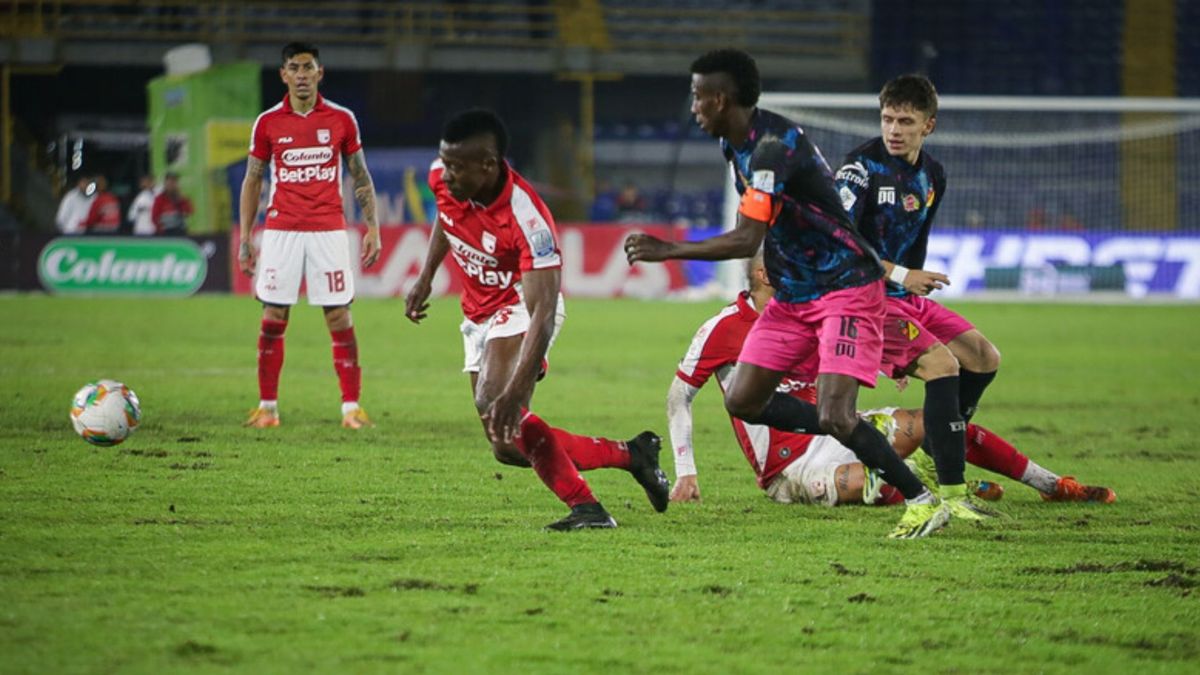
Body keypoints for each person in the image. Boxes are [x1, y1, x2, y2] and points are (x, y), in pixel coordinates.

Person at [624, 48, 947, 539]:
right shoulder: (736, 145)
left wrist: (667, 249)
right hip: (795, 294)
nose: (692, 107)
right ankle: (859, 433)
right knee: (743, 399)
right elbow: (749, 225)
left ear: (720, 99)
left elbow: (746, 239)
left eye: (696, 97)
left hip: (845, 287)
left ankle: (924, 501)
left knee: (836, 414)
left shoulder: (773, 147)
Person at [667, 254, 1116, 507]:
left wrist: (896, 363)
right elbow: (679, 398)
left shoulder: (811, 310)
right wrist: (686, 472)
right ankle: (938, 487)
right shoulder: (723, 328)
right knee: (869, 485)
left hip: (842, 425)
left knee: (943, 425)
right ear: (765, 274)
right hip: (791, 466)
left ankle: (1052, 486)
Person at [405, 109, 670, 530]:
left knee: (495, 403)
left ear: (488, 166)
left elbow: (543, 312)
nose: (445, 174)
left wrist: (514, 389)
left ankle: (589, 510)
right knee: (507, 447)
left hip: (520, 307)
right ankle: (632, 455)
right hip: (477, 313)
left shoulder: (528, 219)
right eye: (445, 162)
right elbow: (446, 215)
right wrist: (425, 276)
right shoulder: (444, 176)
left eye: (457, 167)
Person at [834, 75, 1004, 511]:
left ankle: (935, 448)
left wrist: (912, 293)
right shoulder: (859, 169)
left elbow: (915, 242)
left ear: (928, 126)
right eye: (888, 119)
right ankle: (951, 492)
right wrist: (903, 275)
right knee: (943, 364)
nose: (893, 130)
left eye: (905, 121)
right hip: (863, 296)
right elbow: (840, 241)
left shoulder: (933, 175)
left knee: (983, 357)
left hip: (904, 295)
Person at [237, 42, 382, 429]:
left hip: (328, 230)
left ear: (320, 72)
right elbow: (252, 180)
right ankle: (267, 408)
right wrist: (245, 236)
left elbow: (361, 176)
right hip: (282, 230)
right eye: (294, 68)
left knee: (338, 315)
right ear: (283, 75)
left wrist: (373, 227)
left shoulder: (341, 119)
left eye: (308, 67)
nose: (301, 74)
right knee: (273, 314)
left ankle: (351, 408)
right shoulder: (267, 123)